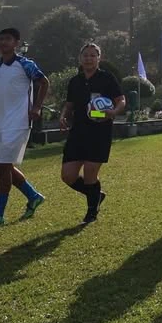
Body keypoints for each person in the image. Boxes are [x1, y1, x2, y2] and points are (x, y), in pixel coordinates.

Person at [0, 28, 49, 231]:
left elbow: (44, 82)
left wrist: (37, 107)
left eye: (7, 39)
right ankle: (34, 197)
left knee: (2, 167)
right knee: (4, 166)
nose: (3, 42)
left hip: (19, 122)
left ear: (16, 42)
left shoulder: (25, 64)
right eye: (0, 39)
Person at [58, 42, 125, 225]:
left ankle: (91, 212)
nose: (89, 58)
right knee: (68, 175)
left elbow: (121, 100)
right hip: (78, 132)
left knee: (90, 172)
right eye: (85, 55)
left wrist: (114, 112)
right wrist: (63, 116)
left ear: (98, 58)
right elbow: (69, 104)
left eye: (92, 55)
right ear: (80, 58)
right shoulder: (75, 81)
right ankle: (96, 195)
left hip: (99, 133)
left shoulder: (107, 78)